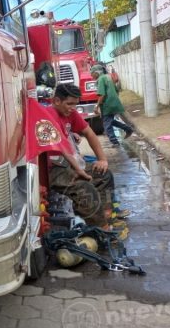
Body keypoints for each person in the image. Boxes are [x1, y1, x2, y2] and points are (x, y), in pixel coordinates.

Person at [45, 84, 120, 226]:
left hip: (70, 163)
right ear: (56, 101)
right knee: (85, 189)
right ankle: (102, 231)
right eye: (69, 104)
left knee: (104, 174)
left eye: (75, 104)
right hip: (55, 169)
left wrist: (102, 160)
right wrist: (79, 171)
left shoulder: (71, 113)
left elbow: (89, 133)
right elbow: (62, 148)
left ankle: (107, 217)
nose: (73, 108)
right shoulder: (49, 115)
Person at [91, 64, 134, 146]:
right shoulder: (108, 77)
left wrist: (96, 106)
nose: (91, 75)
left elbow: (102, 94)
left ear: (96, 72)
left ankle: (115, 142)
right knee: (110, 121)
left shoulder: (100, 79)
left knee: (107, 125)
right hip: (113, 102)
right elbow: (117, 89)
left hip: (108, 104)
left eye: (92, 73)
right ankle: (128, 129)